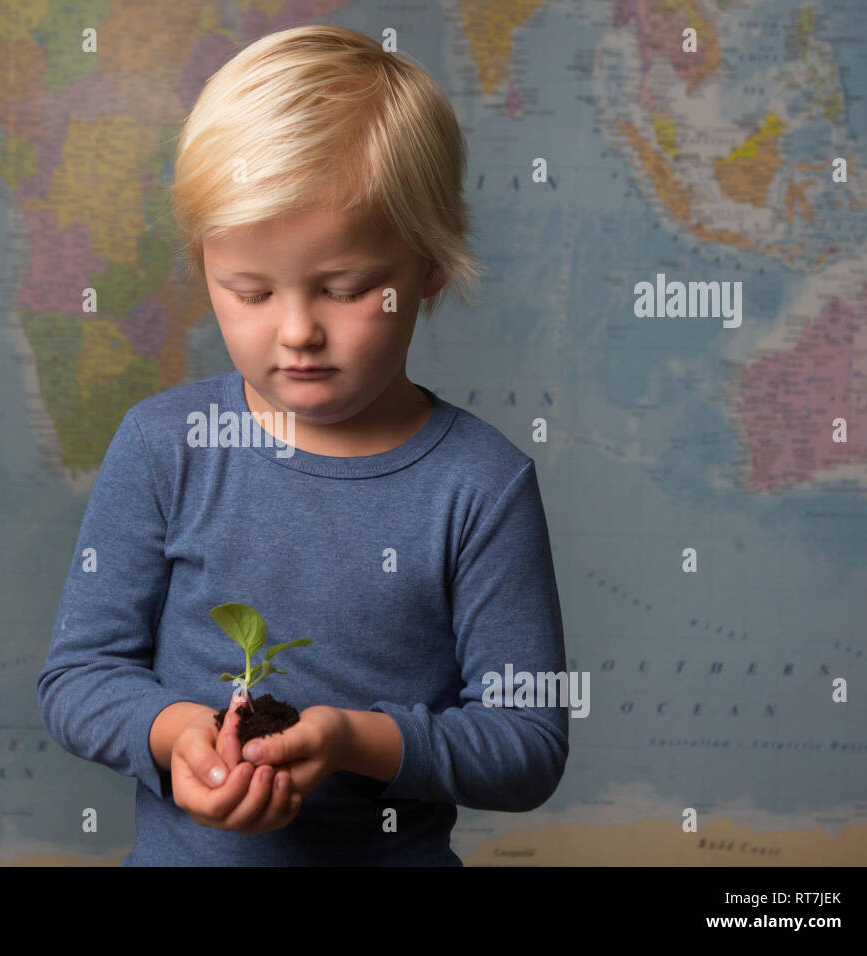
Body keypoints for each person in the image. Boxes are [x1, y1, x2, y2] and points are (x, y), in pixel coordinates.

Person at [36, 24, 567, 865]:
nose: (296, 331)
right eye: (247, 290)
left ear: (428, 267)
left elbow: (528, 742)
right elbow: (78, 678)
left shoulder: (481, 486)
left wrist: (356, 742)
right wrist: (181, 738)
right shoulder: (164, 447)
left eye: (346, 288)